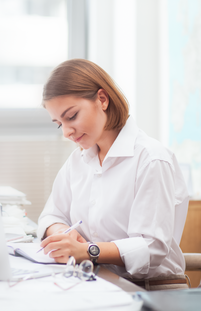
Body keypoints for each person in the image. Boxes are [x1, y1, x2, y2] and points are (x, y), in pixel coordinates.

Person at [37, 59, 189, 290]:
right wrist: (62, 235)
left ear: (102, 99)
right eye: (59, 124)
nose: (67, 132)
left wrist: (87, 250)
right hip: (98, 282)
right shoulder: (78, 161)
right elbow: (50, 215)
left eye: (72, 116)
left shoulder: (151, 158)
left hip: (151, 290)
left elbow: (152, 247)